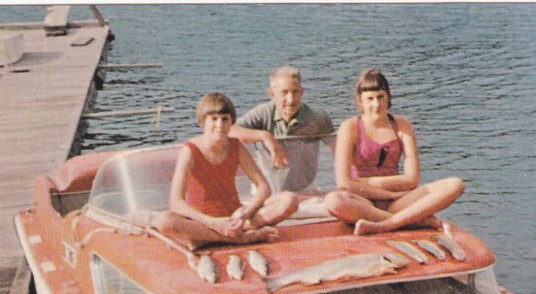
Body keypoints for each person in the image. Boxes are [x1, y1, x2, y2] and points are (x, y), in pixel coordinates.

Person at [324, 69, 464, 236]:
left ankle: (387, 224)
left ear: (388, 97)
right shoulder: (350, 128)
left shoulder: (402, 125)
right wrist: (386, 193)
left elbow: (412, 180)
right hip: (362, 201)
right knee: (333, 201)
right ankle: (411, 221)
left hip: (397, 200)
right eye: (370, 99)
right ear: (360, 101)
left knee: (455, 184)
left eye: (380, 97)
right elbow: (344, 183)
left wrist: (363, 182)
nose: (376, 104)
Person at [153, 92, 298, 250]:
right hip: (202, 222)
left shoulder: (237, 147)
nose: (220, 125)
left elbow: (264, 187)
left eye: (224, 119)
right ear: (203, 122)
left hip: (236, 219)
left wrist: (244, 213)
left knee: (289, 201)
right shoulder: (190, 150)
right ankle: (238, 239)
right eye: (213, 119)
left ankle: (211, 238)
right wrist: (213, 223)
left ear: (231, 122)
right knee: (164, 221)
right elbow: (176, 203)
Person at [230, 66, 334, 193]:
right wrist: (266, 137)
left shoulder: (317, 117)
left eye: (295, 92)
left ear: (302, 92)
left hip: (304, 188)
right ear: (271, 94)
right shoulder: (263, 113)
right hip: (266, 190)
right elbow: (230, 130)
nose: (290, 100)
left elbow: (336, 150)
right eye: (284, 93)